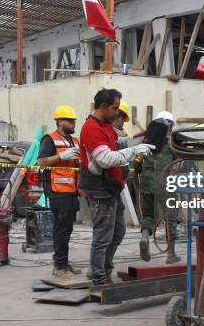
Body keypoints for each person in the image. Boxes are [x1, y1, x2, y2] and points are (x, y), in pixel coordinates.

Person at [79, 88, 154, 285]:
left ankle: (104, 268)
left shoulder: (106, 126)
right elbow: (105, 159)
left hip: (111, 188)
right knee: (103, 236)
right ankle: (99, 277)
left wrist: (142, 137)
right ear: (102, 107)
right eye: (115, 108)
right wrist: (134, 150)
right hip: (100, 190)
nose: (117, 113)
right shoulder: (91, 128)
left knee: (118, 231)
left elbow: (119, 142)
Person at [37, 105, 82, 277]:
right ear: (60, 121)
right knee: (61, 229)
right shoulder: (50, 139)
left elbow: (77, 165)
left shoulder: (74, 141)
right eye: (70, 121)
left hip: (72, 191)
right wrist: (61, 156)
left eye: (74, 121)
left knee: (68, 229)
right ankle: (59, 266)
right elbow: (41, 162)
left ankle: (63, 261)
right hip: (57, 191)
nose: (73, 123)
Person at [138, 111, 181, 264]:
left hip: (146, 182)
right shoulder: (172, 141)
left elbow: (137, 162)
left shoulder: (146, 141)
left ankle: (145, 238)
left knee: (148, 215)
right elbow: (180, 161)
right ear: (170, 125)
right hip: (165, 183)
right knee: (171, 216)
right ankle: (171, 254)